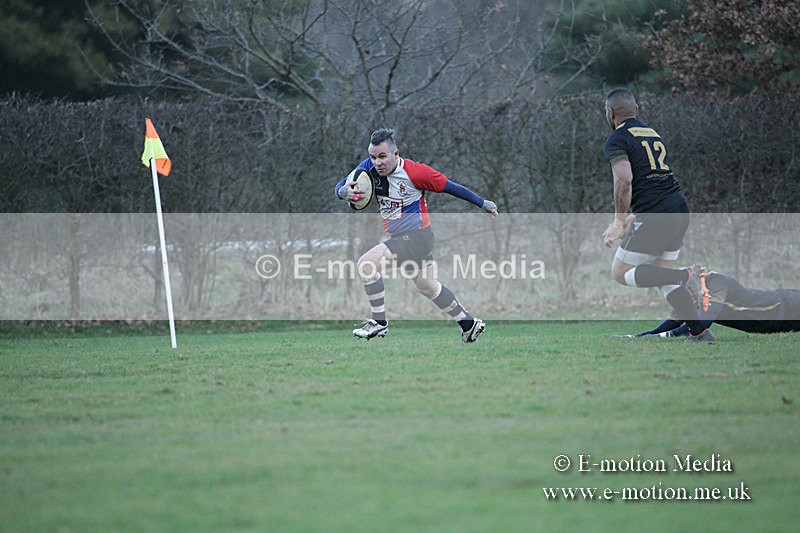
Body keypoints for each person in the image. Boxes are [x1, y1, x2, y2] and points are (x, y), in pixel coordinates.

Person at [334, 128, 498, 341]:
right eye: (373, 157)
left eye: (382, 156)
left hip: (418, 237)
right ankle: (469, 324)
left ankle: (379, 323)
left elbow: (451, 187)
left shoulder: (416, 172)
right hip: (405, 239)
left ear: (396, 153)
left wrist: (483, 203)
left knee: (367, 264)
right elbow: (341, 185)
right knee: (428, 286)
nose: (377, 162)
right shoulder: (368, 169)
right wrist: (343, 192)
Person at [600, 88, 711, 340]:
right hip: (678, 209)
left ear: (610, 112)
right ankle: (699, 331)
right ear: (636, 110)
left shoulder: (617, 139)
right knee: (662, 275)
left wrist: (619, 220)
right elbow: (655, 184)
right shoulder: (653, 134)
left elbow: (624, 180)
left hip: (656, 215)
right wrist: (631, 218)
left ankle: (688, 275)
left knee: (620, 272)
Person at [622, 270, 800, 340]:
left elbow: (704, 322)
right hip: (776, 323)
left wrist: (670, 335)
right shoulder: (690, 297)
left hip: (786, 305)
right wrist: (637, 338)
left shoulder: (714, 284)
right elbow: (672, 323)